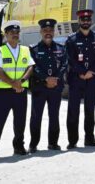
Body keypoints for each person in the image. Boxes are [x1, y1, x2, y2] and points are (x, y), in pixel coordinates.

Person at [0, 20, 34, 159]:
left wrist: (22, 81)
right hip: (4, 92)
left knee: (20, 121)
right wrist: (13, 83)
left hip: (21, 91)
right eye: (12, 33)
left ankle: (19, 146)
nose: (15, 35)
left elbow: (30, 67)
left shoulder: (25, 49)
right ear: (5, 35)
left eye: (17, 32)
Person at [65, 8, 95, 149]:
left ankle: (89, 138)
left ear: (91, 21)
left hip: (92, 79)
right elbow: (69, 59)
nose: (86, 22)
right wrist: (82, 72)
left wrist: (91, 71)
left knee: (90, 110)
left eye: (88, 19)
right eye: (83, 20)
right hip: (76, 79)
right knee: (73, 111)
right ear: (79, 21)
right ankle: (72, 141)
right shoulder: (71, 40)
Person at [28, 18, 67, 152]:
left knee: (54, 116)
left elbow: (64, 65)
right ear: (40, 32)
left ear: (54, 32)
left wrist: (55, 79)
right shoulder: (33, 49)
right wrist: (46, 79)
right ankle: (33, 144)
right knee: (36, 116)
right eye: (45, 30)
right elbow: (33, 67)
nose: (48, 33)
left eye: (50, 30)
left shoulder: (61, 48)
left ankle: (53, 143)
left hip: (56, 87)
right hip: (39, 87)